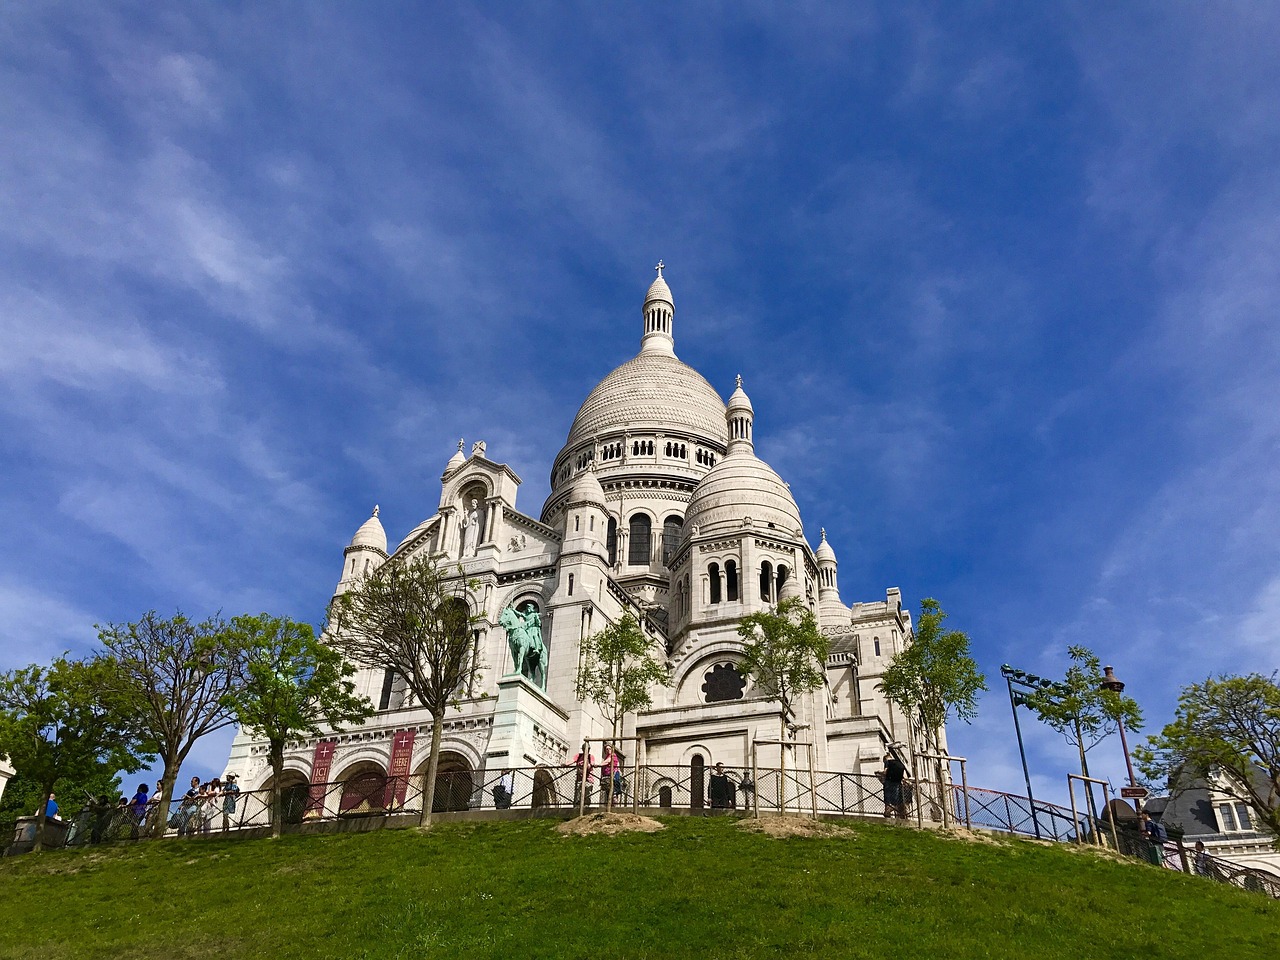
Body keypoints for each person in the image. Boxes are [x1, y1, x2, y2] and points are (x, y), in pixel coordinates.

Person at [877, 750, 909, 820]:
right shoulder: (899, 763)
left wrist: (879, 772)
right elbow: (905, 776)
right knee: (896, 800)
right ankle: (901, 814)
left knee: (888, 799)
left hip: (889, 783)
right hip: (898, 783)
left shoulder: (887, 762)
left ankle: (888, 812)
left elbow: (885, 772)